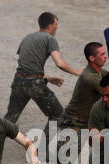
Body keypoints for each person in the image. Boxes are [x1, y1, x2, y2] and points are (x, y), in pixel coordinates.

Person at [27, 42, 109, 164]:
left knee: (106, 149)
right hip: (75, 123)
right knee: (64, 162)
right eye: (102, 54)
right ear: (92, 58)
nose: (105, 57)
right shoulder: (90, 77)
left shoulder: (100, 72)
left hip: (90, 122)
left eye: (105, 53)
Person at [4, 12, 82, 152]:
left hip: (19, 81)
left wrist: (47, 77)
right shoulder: (49, 39)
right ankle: (43, 150)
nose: (57, 29)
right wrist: (76, 72)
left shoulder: (27, 38)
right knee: (58, 114)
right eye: (56, 25)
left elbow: (26, 65)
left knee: (10, 118)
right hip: (34, 84)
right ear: (51, 25)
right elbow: (59, 63)